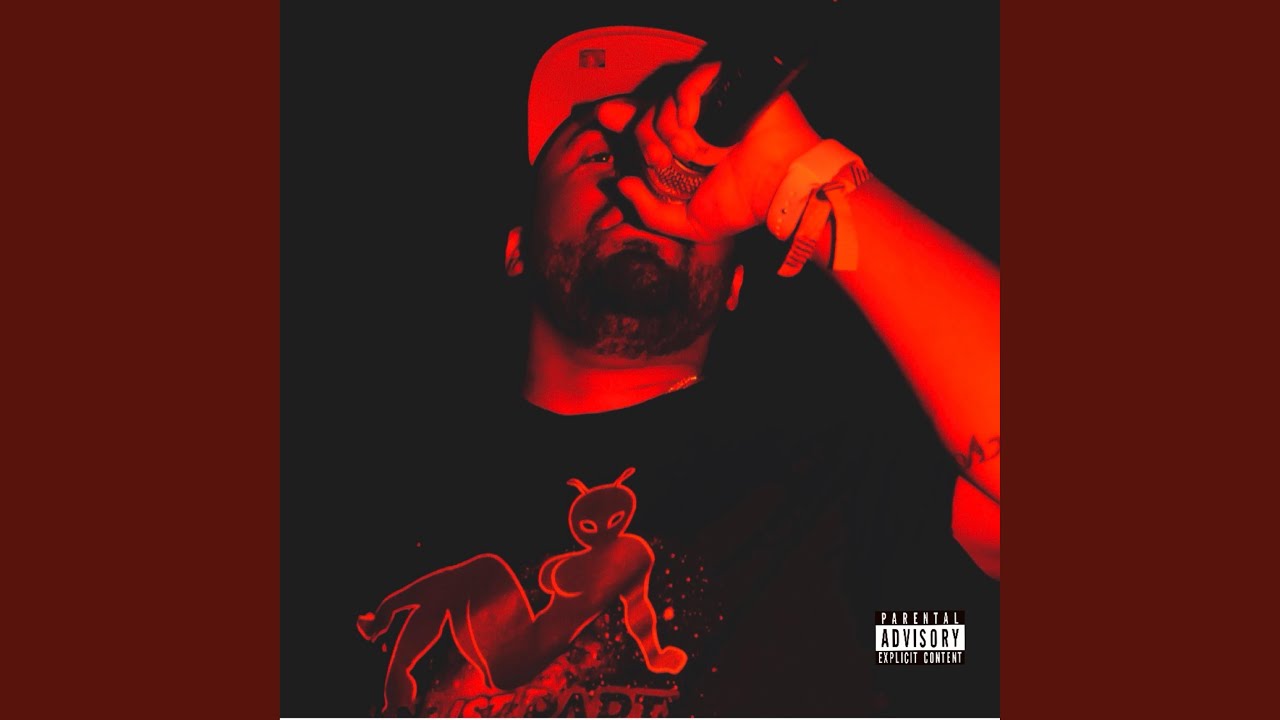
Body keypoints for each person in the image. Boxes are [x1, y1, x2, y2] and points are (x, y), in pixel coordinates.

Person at [328, 19, 1002, 718]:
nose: (646, 179)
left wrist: (805, 180)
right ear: (517, 250)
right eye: (603, 154)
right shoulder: (362, 496)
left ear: (735, 286)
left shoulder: (845, 481)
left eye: (687, 167)